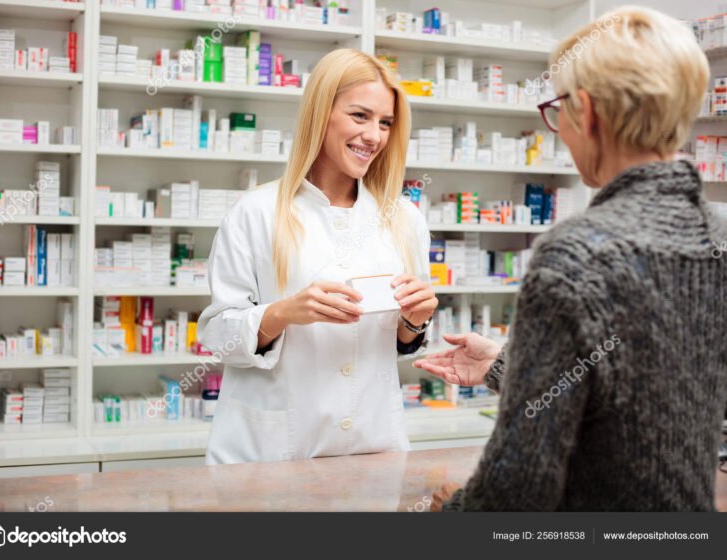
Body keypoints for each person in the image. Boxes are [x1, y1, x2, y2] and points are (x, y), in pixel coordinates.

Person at [416, 7, 727, 511]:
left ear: (587, 111)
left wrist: (446, 515)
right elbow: (649, 386)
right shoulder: (716, 236)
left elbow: (517, 492)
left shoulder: (576, 256)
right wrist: (505, 366)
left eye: (558, 109)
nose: (559, 129)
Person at [197, 49, 438, 464]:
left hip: (372, 445)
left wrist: (414, 323)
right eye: (359, 116)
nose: (374, 136)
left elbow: (401, 343)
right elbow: (218, 336)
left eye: (385, 123)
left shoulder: (403, 220)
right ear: (320, 112)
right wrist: (284, 312)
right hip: (273, 453)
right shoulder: (256, 212)